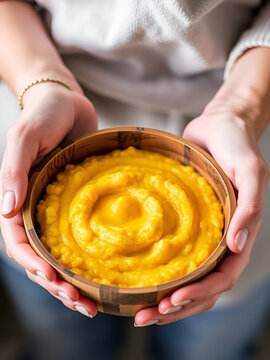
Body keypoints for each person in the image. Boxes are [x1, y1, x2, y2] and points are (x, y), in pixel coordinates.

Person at [0, 1, 270, 359]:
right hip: (45, 124)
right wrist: (41, 83)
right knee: (62, 344)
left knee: (211, 347)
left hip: (236, 139)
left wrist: (242, 107)